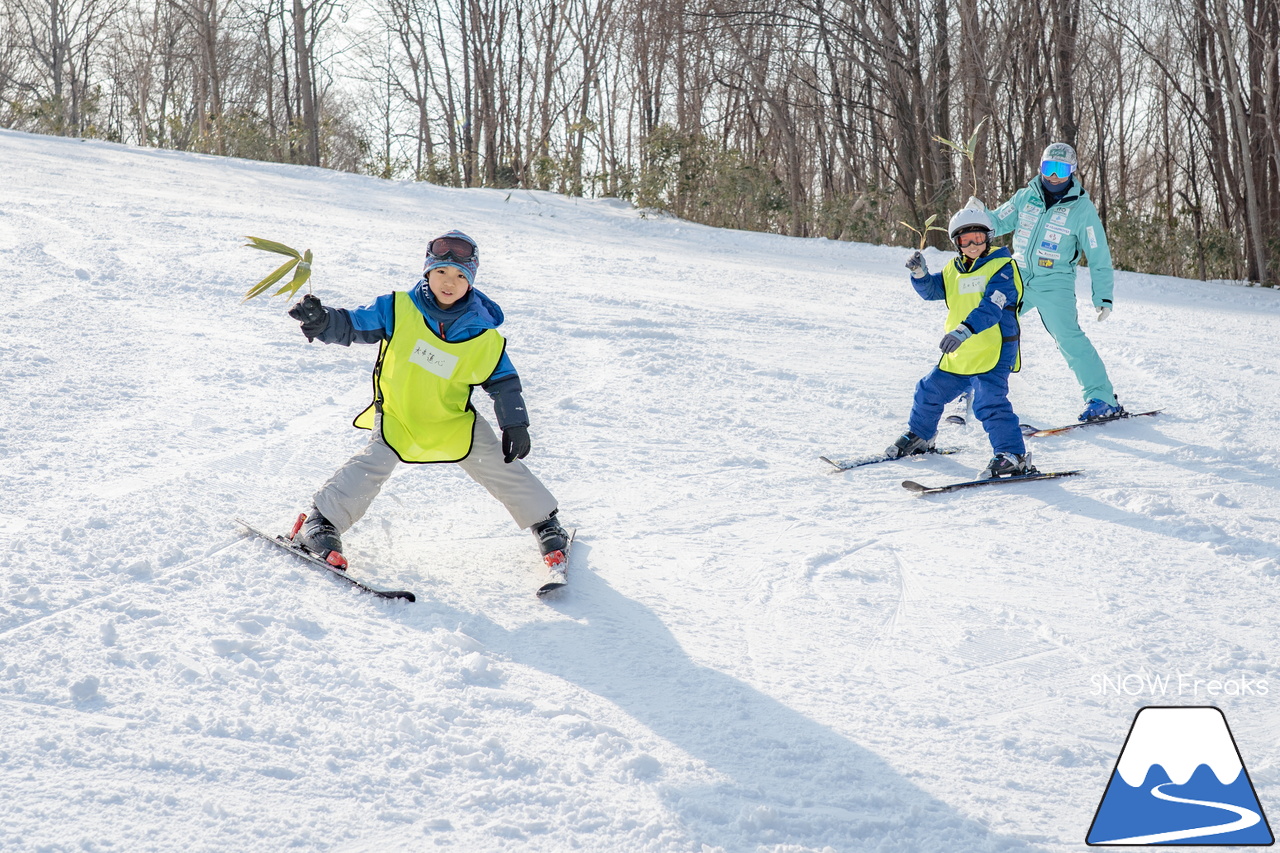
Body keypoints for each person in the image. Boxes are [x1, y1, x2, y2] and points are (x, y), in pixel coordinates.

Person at [283, 230, 569, 571]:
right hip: (399, 417)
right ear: (428, 272)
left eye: (461, 276)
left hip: (452, 420)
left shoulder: (482, 333)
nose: (449, 282)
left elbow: (504, 381)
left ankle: (546, 522)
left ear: (471, 281)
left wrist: (515, 423)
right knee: (371, 465)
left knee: (499, 464)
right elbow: (352, 324)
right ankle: (321, 523)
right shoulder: (397, 308)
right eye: (442, 272)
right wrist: (323, 320)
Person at [889, 200, 1030, 479]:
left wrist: (964, 330)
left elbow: (993, 306)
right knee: (929, 391)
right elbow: (932, 291)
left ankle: (1012, 454)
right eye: (965, 240)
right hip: (959, 350)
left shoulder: (1002, 267)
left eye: (978, 238)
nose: (972, 245)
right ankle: (921, 436)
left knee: (989, 403)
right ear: (957, 243)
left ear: (988, 238)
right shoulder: (954, 269)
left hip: (994, 348)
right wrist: (919, 274)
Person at [990, 141, 1122, 421]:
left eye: (1061, 170)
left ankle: (1101, 398)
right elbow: (997, 222)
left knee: (1069, 338)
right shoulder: (1025, 197)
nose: (1053, 176)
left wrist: (1103, 296)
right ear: (1040, 167)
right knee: (987, 321)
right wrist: (976, 218)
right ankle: (967, 382)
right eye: (1049, 167)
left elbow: (1098, 254)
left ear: (1072, 172)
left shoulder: (1082, 209)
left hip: (1056, 283)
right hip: (1019, 276)